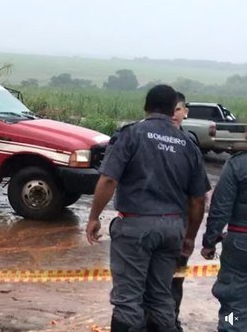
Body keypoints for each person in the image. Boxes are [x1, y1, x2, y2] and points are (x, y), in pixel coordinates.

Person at [86, 85, 209, 332]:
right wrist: (190, 236)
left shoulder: (132, 134)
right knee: (161, 295)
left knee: (128, 299)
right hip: (172, 229)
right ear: (172, 109)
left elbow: (109, 180)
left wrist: (93, 217)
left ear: (146, 106)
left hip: (135, 227)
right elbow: (198, 199)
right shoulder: (188, 144)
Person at [170, 91, 211, 331]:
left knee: (176, 279)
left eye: (178, 109)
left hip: (180, 224)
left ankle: (171, 320)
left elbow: (199, 195)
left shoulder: (190, 144)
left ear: (186, 112)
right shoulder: (143, 136)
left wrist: (192, 235)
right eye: (171, 109)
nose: (174, 115)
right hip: (155, 224)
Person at [201, 152, 247, 331]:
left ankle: (231, 326)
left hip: (241, 244)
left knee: (233, 303)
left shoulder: (239, 163)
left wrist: (210, 241)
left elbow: (221, 206)